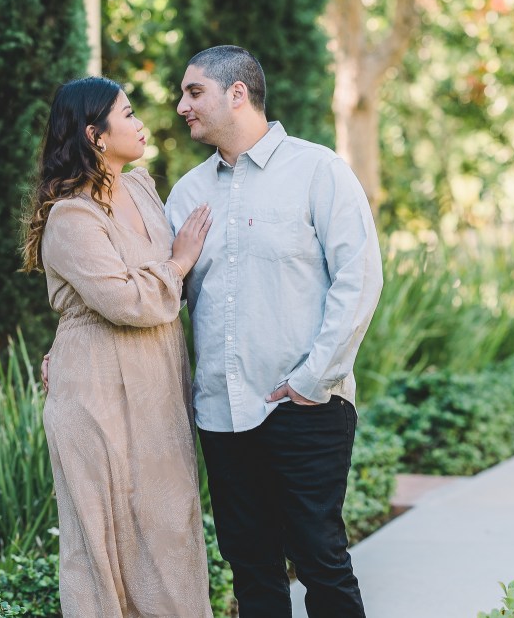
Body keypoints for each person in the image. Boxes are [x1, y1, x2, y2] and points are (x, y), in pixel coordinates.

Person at [165, 45, 383, 618]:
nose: (181, 105)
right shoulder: (187, 194)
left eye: (194, 92)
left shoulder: (318, 171)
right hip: (222, 414)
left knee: (321, 560)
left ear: (237, 93)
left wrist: (312, 379)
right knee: (251, 570)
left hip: (305, 405)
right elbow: (158, 298)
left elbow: (359, 278)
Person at [21, 76, 214, 617]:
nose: (140, 123)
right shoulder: (71, 216)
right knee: (103, 543)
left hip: (157, 384)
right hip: (96, 392)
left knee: (170, 528)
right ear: (95, 135)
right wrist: (178, 261)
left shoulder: (143, 189)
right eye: (127, 114)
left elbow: (166, 291)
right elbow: (127, 300)